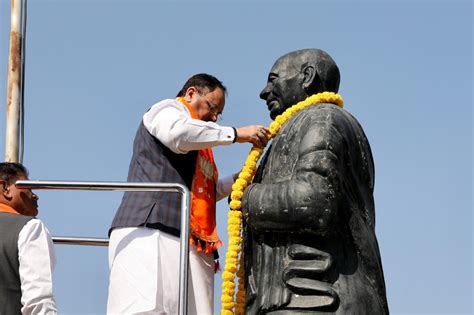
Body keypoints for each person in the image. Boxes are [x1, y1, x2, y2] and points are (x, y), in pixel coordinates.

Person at [107, 73, 269, 314]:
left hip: (191, 242)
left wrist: (240, 179)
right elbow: (177, 134)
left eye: (218, 115)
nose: (213, 119)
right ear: (191, 93)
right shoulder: (166, 110)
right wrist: (235, 134)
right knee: (147, 308)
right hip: (150, 229)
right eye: (211, 108)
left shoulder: (200, 146)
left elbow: (204, 194)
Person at [242, 49, 389, 314]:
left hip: (319, 298)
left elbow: (315, 199)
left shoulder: (323, 118)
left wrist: (245, 197)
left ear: (307, 76)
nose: (264, 92)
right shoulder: (297, 126)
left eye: (273, 79)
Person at [0, 162, 58, 315]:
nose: (35, 195)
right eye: (29, 187)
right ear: (5, 188)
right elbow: (38, 303)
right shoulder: (29, 228)